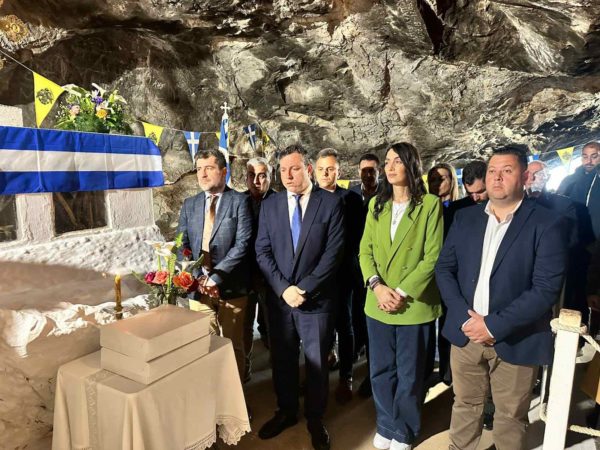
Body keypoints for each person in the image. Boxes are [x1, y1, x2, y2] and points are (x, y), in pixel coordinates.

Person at [435, 145, 569, 450]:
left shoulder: (547, 223)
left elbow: (545, 289)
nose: (497, 178)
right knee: (464, 405)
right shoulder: (465, 218)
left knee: (510, 416)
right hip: (466, 334)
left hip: (517, 337)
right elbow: (444, 269)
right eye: (492, 171)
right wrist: (464, 317)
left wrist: (492, 325)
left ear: (524, 176)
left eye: (507, 171)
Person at [255, 144, 345, 450]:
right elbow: (262, 251)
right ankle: (286, 411)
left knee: (317, 363)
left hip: (316, 301)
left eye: (294, 168)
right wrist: (284, 289)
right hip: (281, 302)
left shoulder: (330, 204)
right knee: (282, 360)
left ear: (307, 169)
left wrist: (304, 289)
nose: (288, 176)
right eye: (282, 170)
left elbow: (333, 254)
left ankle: (315, 419)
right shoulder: (270, 205)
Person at [359, 142, 443, 450]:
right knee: (380, 370)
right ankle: (386, 423)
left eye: (397, 161)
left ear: (412, 165)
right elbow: (365, 251)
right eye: (387, 162)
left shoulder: (430, 205)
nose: (390, 167)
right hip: (378, 301)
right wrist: (377, 286)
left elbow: (432, 257)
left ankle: (405, 430)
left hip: (413, 302)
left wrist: (401, 291)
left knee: (410, 373)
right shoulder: (376, 205)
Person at [177, 148, 253, 380]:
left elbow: (243, 244)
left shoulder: (240, 202)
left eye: (209, 168)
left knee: (232, 346)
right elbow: (182, 245)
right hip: (199, 290)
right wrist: (199, 278)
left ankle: (237, 398)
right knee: (205, 347)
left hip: (231, 288)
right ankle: (214, 395)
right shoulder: (190, 204)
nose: (202, 174)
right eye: (199, 169)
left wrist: (215, 278)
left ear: (223, 171)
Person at [314, 148, 363, 404]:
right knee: (319, 327)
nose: (325, 173)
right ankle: (318, 372)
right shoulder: (307, 198)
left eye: (330, 169)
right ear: (314, 171)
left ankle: (346, 376)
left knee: (345, 325)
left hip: (343, 274)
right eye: (321, 169)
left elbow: (358, 237)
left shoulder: (351, 199)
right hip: (315, 277)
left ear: (338, 171)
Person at [350, 152, 382, 397]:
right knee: (357, 320)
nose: (368, 174)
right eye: (364, 170)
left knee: (374, 328)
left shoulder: (387, 196)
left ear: (379, 172)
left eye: (372, 170)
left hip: (377, 271)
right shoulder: (351, 197)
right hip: (354, 269)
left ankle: (372, 377)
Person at [243, 157, 275, 378]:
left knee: (272, 322)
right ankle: (244, 364)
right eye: (252, 175)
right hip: (245, 274)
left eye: (262, 175)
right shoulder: (238, 202)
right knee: (245, 323)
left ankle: (278, 362)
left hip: (270, 276)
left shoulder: (280, 201)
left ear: (270, 177)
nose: (256, 181)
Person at [558, 141, 600, 240]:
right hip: (574, 238)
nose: (589, 161)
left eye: (594, 157)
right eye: (585, 157)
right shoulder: (569, 180)